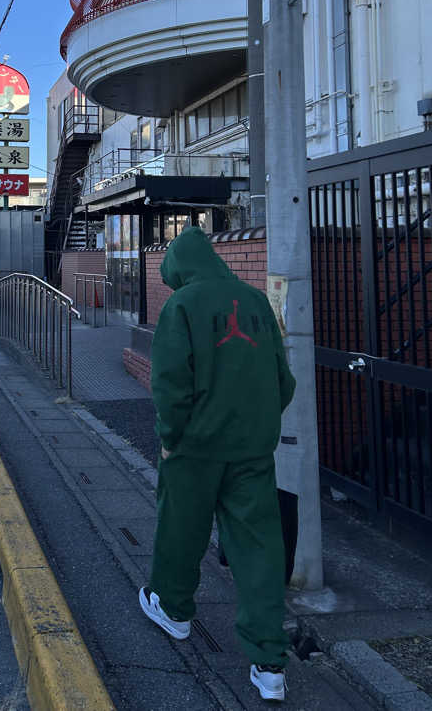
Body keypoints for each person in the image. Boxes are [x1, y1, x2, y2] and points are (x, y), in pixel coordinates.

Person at [138, 226, 296, 704]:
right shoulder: (254, 302)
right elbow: (283, 382)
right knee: (259, 546)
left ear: (180, 269)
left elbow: (170, 384)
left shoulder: (180, 306)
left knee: (181, 532)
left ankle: (174, 608)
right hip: (252, 451)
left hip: (194, 449)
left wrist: (171, 439)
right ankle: (270, 663)